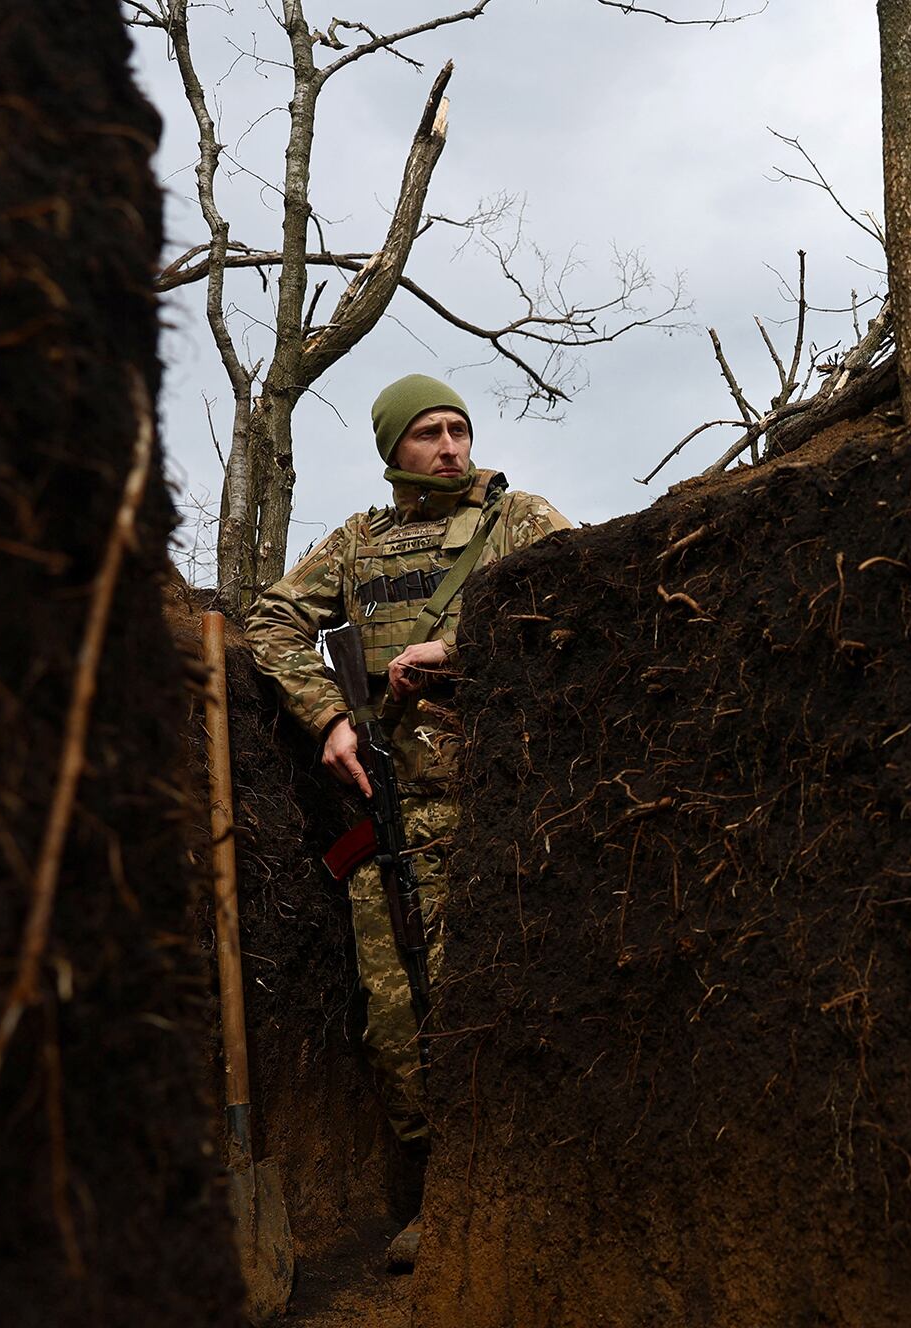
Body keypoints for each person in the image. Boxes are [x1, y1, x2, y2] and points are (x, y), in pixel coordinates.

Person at [244, 373, 570, 1269]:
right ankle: (439, 1196)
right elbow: (269, 623)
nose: (453, 447)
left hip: (506, 807)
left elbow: (584, 608)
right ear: (394, 450)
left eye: (460, 429)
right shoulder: (356, 545)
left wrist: (459, 654)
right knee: (397, 1020)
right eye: (430, 433)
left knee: (501, 998)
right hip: (394, 818)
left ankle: (517, 1190)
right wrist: (330, 717)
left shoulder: (519, 522)